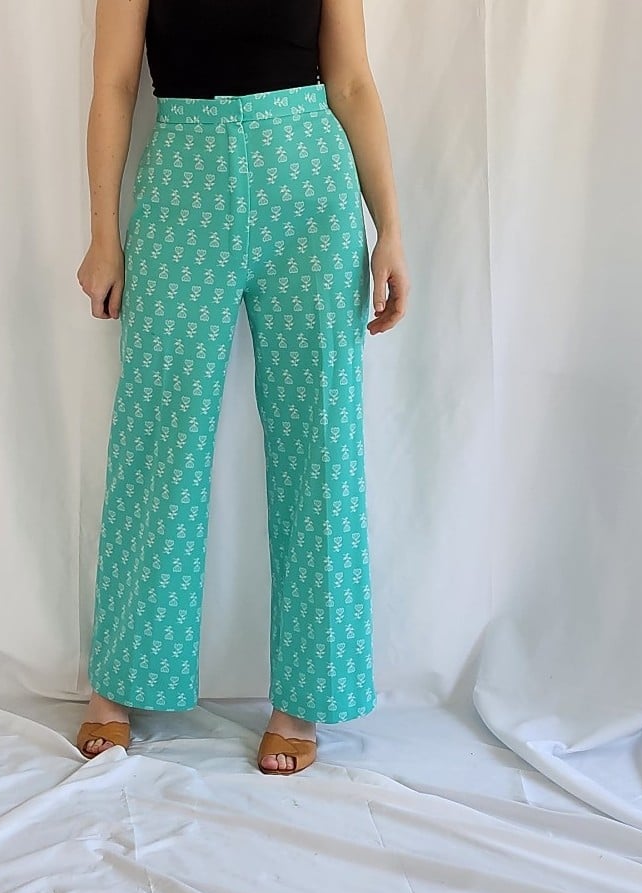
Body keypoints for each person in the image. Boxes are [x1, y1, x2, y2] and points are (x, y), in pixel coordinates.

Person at [75, 0, 409, 775]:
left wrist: (389, 227)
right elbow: (115, 84)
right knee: (159, 434)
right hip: (182, 183)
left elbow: (352, 82)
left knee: (319, 441)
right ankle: (122, 679)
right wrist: (103, 235)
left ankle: (306, 696)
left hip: (311, 191)